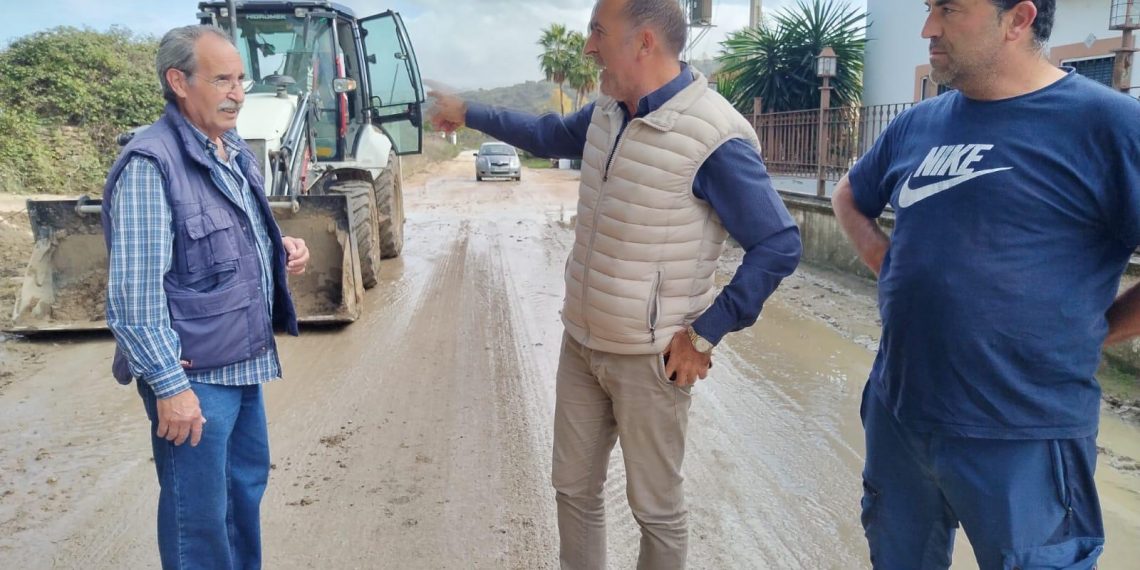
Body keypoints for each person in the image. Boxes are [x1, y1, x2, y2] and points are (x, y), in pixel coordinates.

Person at [432, 0, 801, 567]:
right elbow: (548, 133)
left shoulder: (714, 136)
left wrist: (704, 335)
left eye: (599, 32)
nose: (588, 46)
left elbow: (779, 244)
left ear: (644, 41)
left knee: (656, 511)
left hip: (651, 359)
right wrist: (470, 110)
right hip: (582, 343)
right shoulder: (608, 109)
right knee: (573, 491)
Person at [831, 1, 1140, 568]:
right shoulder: (916, 124)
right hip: (900, 416)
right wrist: (886, 262)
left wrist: (1099, 331)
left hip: (1025, 434)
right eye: (928, 9)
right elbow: (850, 195)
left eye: (948, 9)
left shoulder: (1110, 125)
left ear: (1018, 18)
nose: (928, 28)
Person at [102, 25, 310, 569]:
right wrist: (171, 388)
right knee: (198, 519)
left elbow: (218, 238)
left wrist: (274, 247)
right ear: (178, 81)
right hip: (193, 378)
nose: (238, 92)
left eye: (241, 80)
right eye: (222, 80)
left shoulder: (233, 150)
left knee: (242, 497)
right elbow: (133, 296)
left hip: (243, 364)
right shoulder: (151, 165)